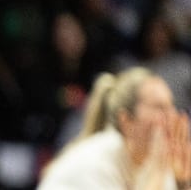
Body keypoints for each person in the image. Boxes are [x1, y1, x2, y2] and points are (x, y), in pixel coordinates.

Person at [37, 66, 191, 190]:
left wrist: (182, 183)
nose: (172, 116)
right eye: (159, 108)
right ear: (126, 121)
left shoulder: (154, 162)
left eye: (171, 106)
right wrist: (158, 169)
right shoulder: (93, 163)